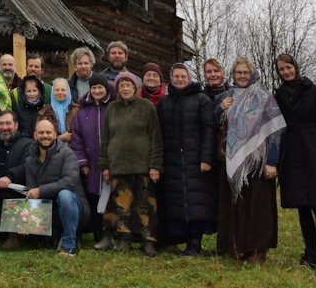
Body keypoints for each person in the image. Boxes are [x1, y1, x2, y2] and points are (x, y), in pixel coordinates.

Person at [216, 58, 285, 264]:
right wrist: (220, 109)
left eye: (246, 72)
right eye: (238, 72)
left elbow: (275, 131)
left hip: (258, 160)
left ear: (252, 74)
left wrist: (272, 162)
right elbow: (214, 123)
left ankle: (258, 250)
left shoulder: (265, 97)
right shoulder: (228, 97)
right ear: (233, 75)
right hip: (235, 162)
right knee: (238, 206)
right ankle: (240, 248)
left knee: (260, 208)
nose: (242, 76)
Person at [275, 53, 316, 269]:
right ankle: (310, 251)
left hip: (314, 151)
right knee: (302, 206)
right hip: (292, 152)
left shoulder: (315, 91)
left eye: (288, 67)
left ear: (295, 67)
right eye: (281, 69)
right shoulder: (279, 94)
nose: (286, 72)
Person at [99, 70, 162, 257]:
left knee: (146, 206)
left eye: (129, 85)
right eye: (122, 86)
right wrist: (105, 166)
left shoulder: (146, 106)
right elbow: (106, 140)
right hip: (118, 166)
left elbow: (156, 138)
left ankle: (148, 241)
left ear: (135, 87)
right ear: (117, 89)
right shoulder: (112, 108)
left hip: (142, 166)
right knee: (120, 206)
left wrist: (155, 165)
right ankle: (123, 239)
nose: (125, 88)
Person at [157, 63, 217, 255]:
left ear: (189, 78)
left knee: (197, 200)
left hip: (196, 158)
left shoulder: (202, 100)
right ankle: (180, 239)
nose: (180, 79)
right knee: (177, 201)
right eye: (176, 76)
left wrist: (206, 157)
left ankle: (195, 242)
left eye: (183, 76)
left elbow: (209, 129)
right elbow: (160, 134)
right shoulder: (165, 103)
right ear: (171, 79)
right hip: (172, 159)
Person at [22, 118, 88, 256]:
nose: (45, 136)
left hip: (74, 207)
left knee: (64, 194)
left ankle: (69, 246)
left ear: (55, 134)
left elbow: (70, 181)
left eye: (48, 132)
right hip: (49, 210)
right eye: (41, 132)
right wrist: (24, 221)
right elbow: (32, 190)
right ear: (35, 135)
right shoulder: (29, 160)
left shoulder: (67, 154)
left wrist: (41, 190)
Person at [70, 74, 114, 249]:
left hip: (110, 161)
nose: (97, 91)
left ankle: (109, 233)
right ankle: (96, 231)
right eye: (94, 88)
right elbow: (77, 138)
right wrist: (82, 162)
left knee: (111, 197)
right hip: (90, 162)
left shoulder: (112, 108)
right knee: (94, 197)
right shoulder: (83, 111)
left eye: (100, 88)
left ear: (106, 89)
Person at [0, 110, 35, 244]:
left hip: (19, 192)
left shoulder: (27, 144)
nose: (4, 127)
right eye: (1, 124)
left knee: (4, 197)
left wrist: (10, 177)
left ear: (16, 125)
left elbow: (26, 166)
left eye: (8, 123)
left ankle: (15, 234)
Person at [40, 77, 79, 143]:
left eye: (63, 90)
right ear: (52, 92)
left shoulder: (76, 110)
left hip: (74, 150)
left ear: (68, 91)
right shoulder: (45, 112)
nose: (60, 92)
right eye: (57, 90)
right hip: (52, 151)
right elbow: (40, 137)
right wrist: (60, 138)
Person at [15, 74, 47, 139]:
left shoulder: (46, 109)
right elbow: (15, 131)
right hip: (24, 145)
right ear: (24, 93)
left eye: (34, 90)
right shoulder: (19, 110)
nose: (32, 94)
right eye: (28, 91)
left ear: (40, 92)